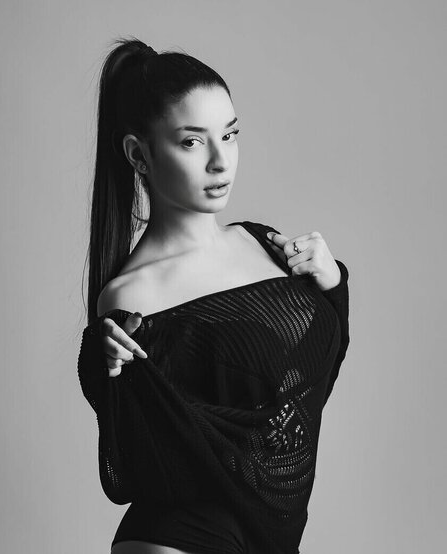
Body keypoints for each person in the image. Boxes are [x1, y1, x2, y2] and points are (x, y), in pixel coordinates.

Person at [77, 37, 350, 554]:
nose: (221, 161)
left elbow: (303, 389)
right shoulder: (132, 297)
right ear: (139, 155)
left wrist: (331, 285)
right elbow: (139, 455)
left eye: (230, 134)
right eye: (192, 142)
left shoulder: (262, 243)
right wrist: (103, 367)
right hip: (182, 539)